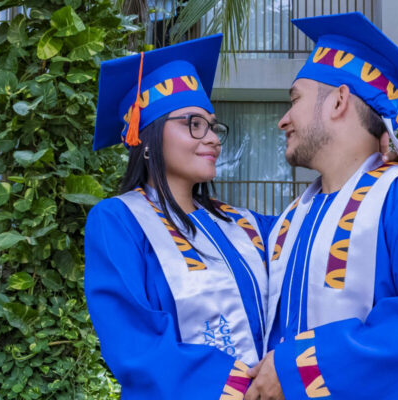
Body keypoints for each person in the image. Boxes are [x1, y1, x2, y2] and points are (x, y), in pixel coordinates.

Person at [245, 12, 398, 400]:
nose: (283, 120)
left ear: (339, 100)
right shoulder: (291, 222)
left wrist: (302, 368)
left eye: (294, 100)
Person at [84, 35, 271, 399]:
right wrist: (242, 387)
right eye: (194, 124)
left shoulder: (245, 225)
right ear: (148, 137)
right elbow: (133, 344)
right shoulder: (119, 221)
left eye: (213, 126)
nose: (213, 139)